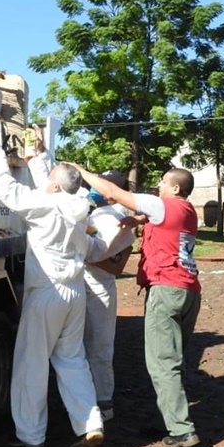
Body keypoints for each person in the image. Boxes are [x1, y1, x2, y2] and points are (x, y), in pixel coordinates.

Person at [0, 125, 104, 447]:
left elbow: (7, 189)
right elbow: (53, 183)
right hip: (75, 292)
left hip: (46, 292)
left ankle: (31, 435)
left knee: (32, 363)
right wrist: (38, 156)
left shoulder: (43, 205)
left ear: (54, 186)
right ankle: (90, 424)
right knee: (73, 360)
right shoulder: (77, 205)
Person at [75, 165, 202, 447]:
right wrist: (139, 220)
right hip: (189, 290)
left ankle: (182, 430)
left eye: (163, 182)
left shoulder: (164, 205)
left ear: (176, 189)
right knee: (174, 360)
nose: (159, 185)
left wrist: (78, 170)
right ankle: (167, 420)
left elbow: (111, 192)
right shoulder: (187, 210)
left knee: (161, 363)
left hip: (167, 289)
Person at [82, 170, 135, 422]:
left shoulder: (113, 217)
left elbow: (95, 254)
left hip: (98, 289)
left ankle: (103, 403)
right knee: (87, 347)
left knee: (99, 348)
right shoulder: (103, 213)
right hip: (88, 286)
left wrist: (74, 234)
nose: (95, 190)